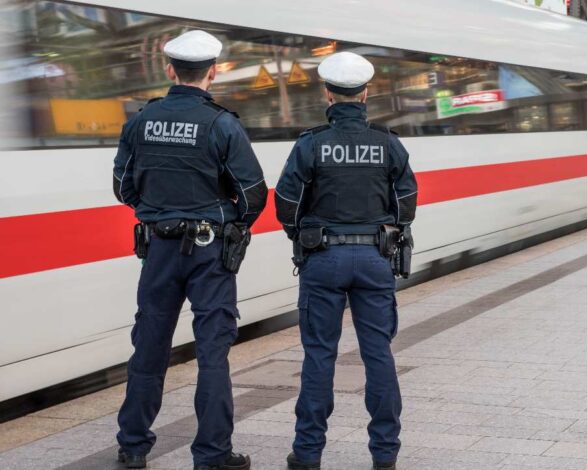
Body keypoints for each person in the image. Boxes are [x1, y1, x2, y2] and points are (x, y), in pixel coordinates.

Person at [112, 30, 267, 470]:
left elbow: (123, 186)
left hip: (158, 249)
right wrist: (229, 224)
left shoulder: (142, 120)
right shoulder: (222, 124)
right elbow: (253, 193)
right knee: (212, 352)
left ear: (169, 70)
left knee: (150, 345)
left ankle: (134, 445)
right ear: (213, 72)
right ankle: (213, 454)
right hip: (209, 251)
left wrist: (154, 213)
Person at [275, 51, 417, 470]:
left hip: (323, 259)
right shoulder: (387, 143)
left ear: (328, 93)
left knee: (320, 354)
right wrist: (387, 227)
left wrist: (304, 235)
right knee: (379, 354)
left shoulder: (311, 143)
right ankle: (385, 453)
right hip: (375, 257)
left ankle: (307, 452)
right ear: (366, 93)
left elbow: (286, 201)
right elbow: (407, 199)